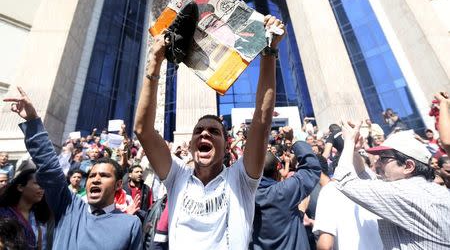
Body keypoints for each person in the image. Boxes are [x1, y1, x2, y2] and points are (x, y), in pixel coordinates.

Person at [134, 14, 285, 249]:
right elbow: (143, 130)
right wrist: (154, 61)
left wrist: (269, 51)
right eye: (198, 131)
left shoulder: (241, 179)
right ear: (192, 144)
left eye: (214, 132)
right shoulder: (177, 177)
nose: (204, 134)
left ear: (226, 146)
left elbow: (262, 119)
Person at [3, 87, 142, 249]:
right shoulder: (69, 206)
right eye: (91, 175)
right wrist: (33, 121)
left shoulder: (130, 224)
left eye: (104, 175)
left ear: (118, 185)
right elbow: (50, 168)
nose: (95, 179)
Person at [333, 121, 450, 249]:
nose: (377, 164)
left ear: (408, 166)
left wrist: (348, 143)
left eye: (383, 158)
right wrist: (355, 151)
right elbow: (366, 177)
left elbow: (344, 180)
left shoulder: (407, 193)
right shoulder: (422, 188)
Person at [249, 129, 321, 250]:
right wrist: (293, 140)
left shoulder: (244, 196)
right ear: (278, 167)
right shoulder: (285, 190)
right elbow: (311, 168)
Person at [0, 169, 52, 249]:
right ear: (20, 187)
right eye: (37, 183)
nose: (42, 187)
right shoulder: (4, 213)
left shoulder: (39, 216)